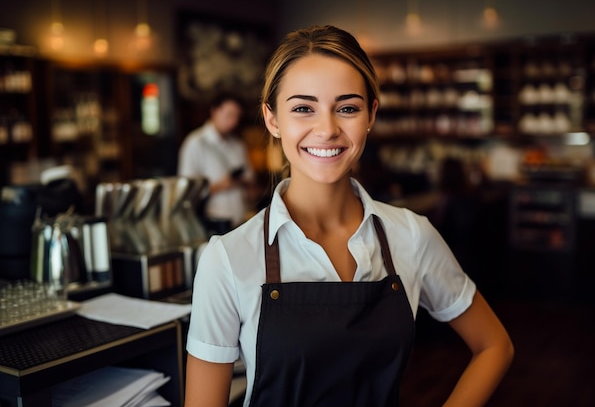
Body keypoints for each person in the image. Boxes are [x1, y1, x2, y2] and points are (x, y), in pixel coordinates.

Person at [184, 25, 514, 407]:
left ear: (370, 114)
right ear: (272, 119)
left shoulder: (411, 236)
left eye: (347, 108)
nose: (326, 129)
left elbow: (494, 346)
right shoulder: (226, 259)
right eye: (303, 108)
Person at [178, 91, 254, 231]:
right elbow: (187, 189)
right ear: (214, 112)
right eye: (229, 115)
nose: (234, 122)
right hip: (212, 223)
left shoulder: (237, 144)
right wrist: (220, 185)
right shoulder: (196, 143)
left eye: (237, 117)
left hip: (241, 220)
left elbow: (250, 180)